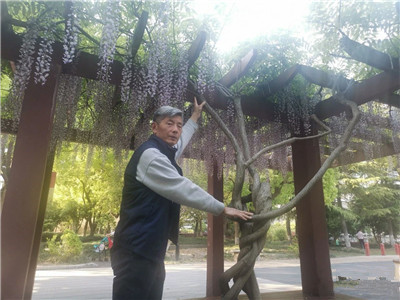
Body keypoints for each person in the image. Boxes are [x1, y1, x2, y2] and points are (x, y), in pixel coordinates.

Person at [111, 98, 253, 299]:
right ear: (154, 127)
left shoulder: (164, 151)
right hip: (135, 251)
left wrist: (194, 116)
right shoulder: (151, 156)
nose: (176, 130)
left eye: (178, 125)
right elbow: (183, 188)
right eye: (169, 123)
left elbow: (182, 139)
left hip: (149, 250)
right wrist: (222, 208)